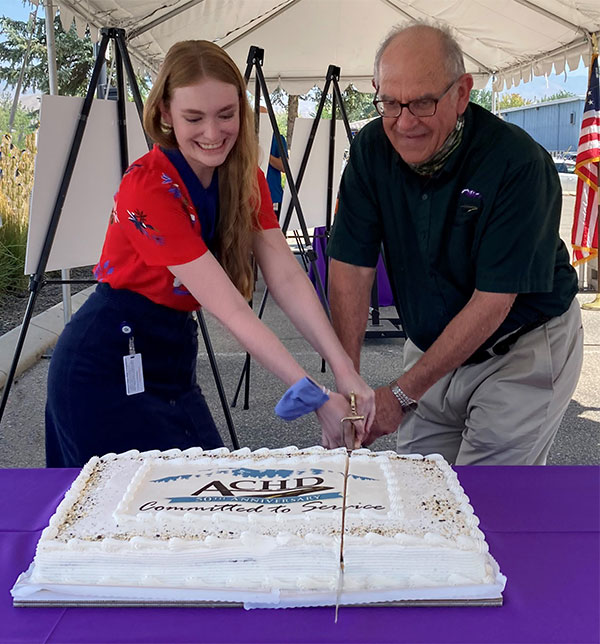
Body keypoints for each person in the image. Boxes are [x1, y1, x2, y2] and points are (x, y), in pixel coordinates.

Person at [45, 40, 374, 468]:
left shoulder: (244, 177)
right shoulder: (146, 187)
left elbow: (288, 277)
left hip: (172, 354)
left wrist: (345, 370)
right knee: (135, 517)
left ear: (242, 107)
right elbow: (233, 311)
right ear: (165, 113)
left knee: (205, 496)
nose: (213, 133)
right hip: (105, 362)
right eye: (194, 118)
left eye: (226, 115)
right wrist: (314, 393)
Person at [326, 21, 583, 465]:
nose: (405, 122)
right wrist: (349, 387)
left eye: (423, 103)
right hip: (432, 345)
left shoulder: (518, 163)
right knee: (418, 489)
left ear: (462, 93)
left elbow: (494, 302)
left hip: (518, 346)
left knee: (485, 503)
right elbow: (350, 269)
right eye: (390, 102)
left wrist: (402, 394)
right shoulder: (371, 149)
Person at [260, 105, 288, 217]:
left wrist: (265, 153)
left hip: (273, 196)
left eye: (264, 118)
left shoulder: (277, 139)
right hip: (248, 198)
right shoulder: (243, 140)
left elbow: (284, 167)